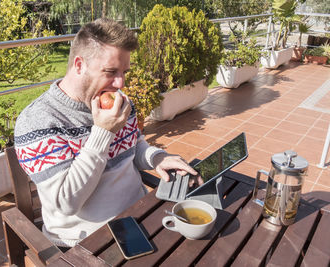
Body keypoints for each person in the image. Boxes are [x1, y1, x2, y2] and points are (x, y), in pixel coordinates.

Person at [14, 18, 197, 249]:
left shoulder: (117, 102)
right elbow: (66, 202)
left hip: (141, 213)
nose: (120, 83)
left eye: (124, 72)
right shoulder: (38, 122)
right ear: (79, 65)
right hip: (87, 241)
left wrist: (156, 157)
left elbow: (133, 144)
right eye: (111, 71)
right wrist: (102, 132)